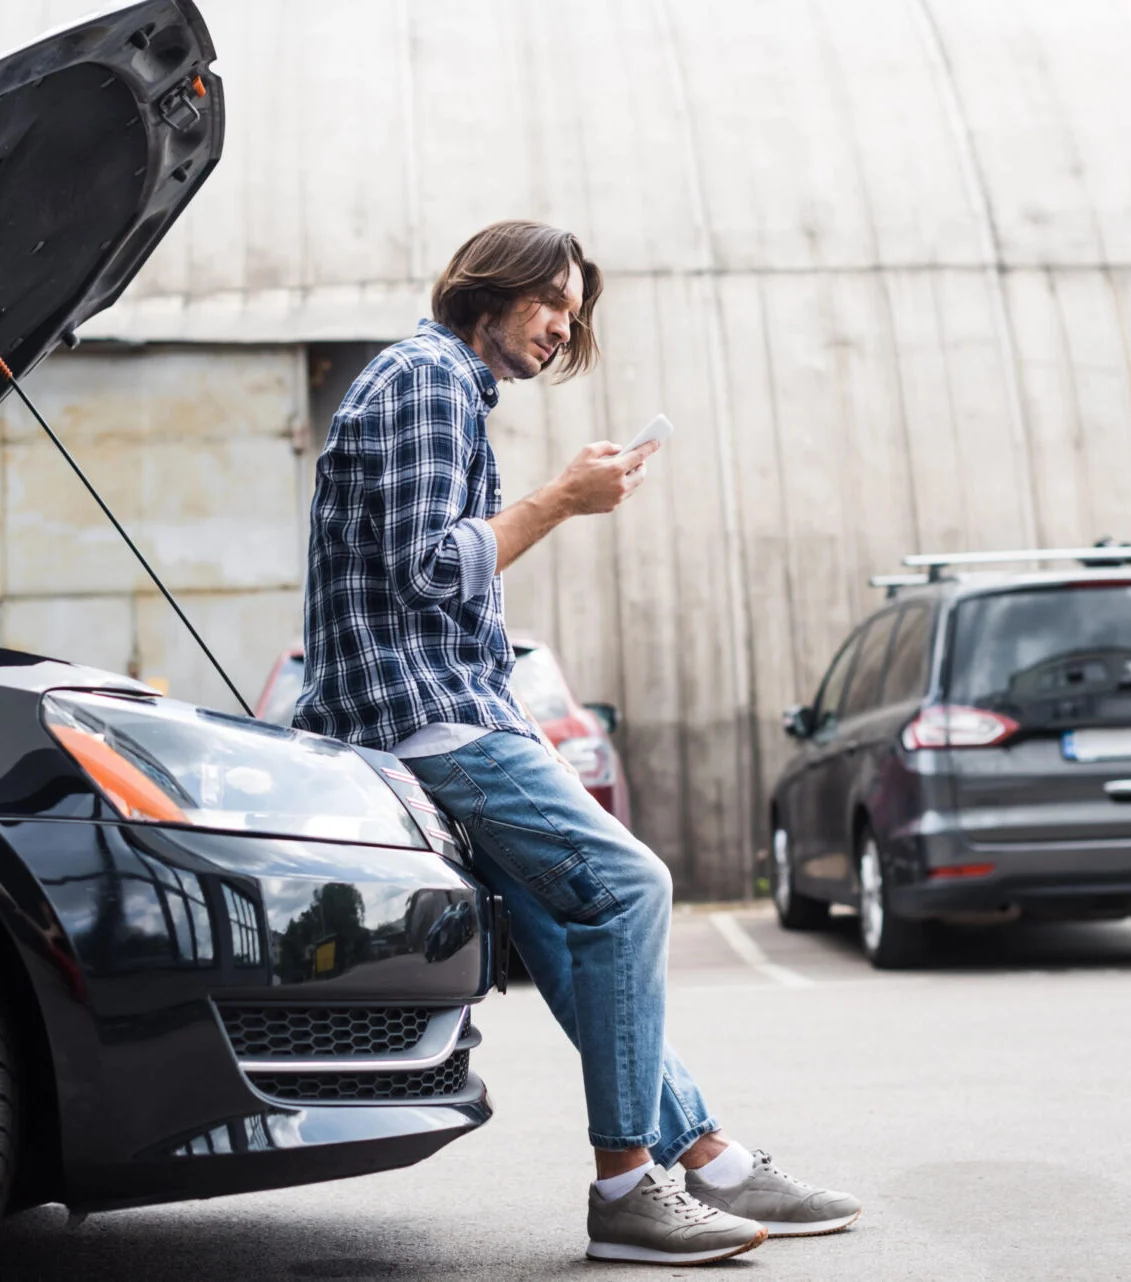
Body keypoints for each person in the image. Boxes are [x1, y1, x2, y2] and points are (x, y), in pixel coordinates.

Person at [293, 220, 859, 1265]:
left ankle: (716, 1161)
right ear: (490, 288)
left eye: (574, 310)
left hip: (446, 703)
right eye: (552, 301)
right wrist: (561, 499)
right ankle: (626, 1188)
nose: (564, 326)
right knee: (631, 886)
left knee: (566, 931)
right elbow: (427, 566)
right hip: (425, 718)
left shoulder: (438, 384)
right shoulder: (429, 380)